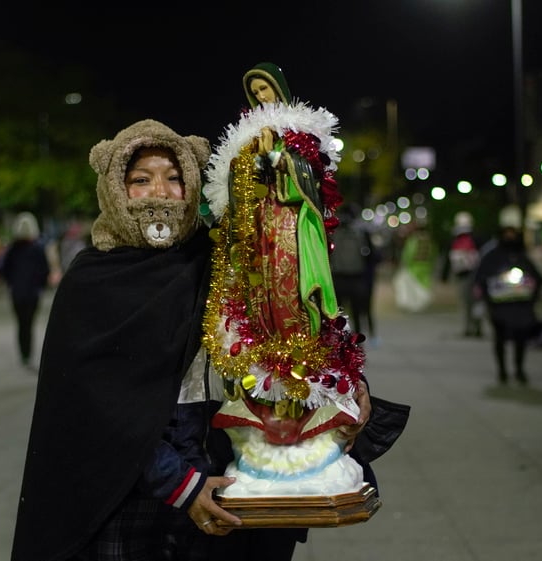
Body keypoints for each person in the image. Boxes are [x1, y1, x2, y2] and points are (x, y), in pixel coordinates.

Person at [10, 119, 243, 561]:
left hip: (214, 487)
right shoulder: (90, 279)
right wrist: (180, 483)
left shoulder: (214, 262)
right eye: (141, 179)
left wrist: (346, 388)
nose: (160, 190)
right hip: (119, 497)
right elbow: (95, 407)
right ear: (114, 187)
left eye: (175, 178)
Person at [200, 63, 373, 560]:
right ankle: (268, 431)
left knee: (297, 306)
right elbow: (230, 197)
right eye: (252, 90)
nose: (259, 96)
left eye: (264, 88)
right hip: (256, 241)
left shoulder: (300, 131)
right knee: (261, 312)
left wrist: (280, 163)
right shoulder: (241, 140)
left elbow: (313, 180)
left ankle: (303, 422)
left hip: (292, 232)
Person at [472, 206, 542, 385]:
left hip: (520, 307)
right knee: (500, 339)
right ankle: (502, 371)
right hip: (499, 307)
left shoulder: (521, 257)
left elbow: (538, 279)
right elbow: (481, 277)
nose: (510, 237)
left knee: (520, 339)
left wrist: (530, 295)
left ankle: (519, 369)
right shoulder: (492, 256)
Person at [0, 212, 51, 368]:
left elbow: (4, 269)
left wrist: (11, 283)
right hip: (32, 293)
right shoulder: (37, 249)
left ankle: (24, 352)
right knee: (28, 323)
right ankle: (27, 352)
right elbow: (45, 270)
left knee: (22, 323)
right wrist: (40, 285)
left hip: (17, 292)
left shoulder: (13, 249)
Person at [330, 202, 381, 342]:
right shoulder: (362, 233)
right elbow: (373, 256)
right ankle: (357, 344)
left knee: (337, 313)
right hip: (356, 279)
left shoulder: (333, 232)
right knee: (357, 314)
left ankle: (337, 342)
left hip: (337, 278)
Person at [444, 211, 484, 337]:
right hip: (474, 275)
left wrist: (445, 275)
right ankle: (476, 327)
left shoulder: (456, 239)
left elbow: (449, 258)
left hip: (465, 275)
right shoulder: (477, 238)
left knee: (468, 303)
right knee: (475, 302)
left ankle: (470, 327)